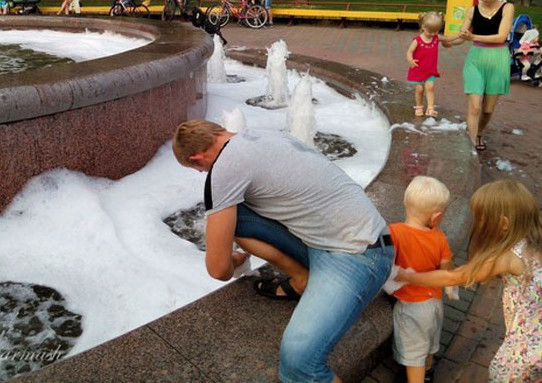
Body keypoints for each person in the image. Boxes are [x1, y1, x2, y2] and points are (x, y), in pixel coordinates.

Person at [172, 120, 394, 382]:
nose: (202, 173)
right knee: (234, 214)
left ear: (197, 157)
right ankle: (301, 278)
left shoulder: (223, 168)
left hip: (357, 256)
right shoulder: (266, 134)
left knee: (300, 363)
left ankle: (305, 278)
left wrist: (233, 260)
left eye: (197, 169)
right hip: (341, 237)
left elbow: (218, 270)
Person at [397, 179, 542, 383]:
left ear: (504, 224)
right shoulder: (533, 241)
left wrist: (408, 276)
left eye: (481, 219)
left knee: (502, 375)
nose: (478, 223)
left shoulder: (507, 257)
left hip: (527, 347)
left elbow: (453, 277)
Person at [389, 176, 455, 383]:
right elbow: (447, 270)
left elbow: (384, 261)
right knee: (429, 342)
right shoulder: (440, 237)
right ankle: (428, 372)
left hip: (410, 307)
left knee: (413, 354)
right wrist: (451, 289)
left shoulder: (395, 232)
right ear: (435, 217)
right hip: (434, 303)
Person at [458, 0, 514, 151]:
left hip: (498, 59)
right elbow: (461, 36)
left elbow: (501, 37)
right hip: (476, 59)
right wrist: (444, 40)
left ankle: (479, 132)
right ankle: (470, 145)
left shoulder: (507, 8)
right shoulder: (473, 10)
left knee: (487, 110)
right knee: (474, 107)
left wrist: (472, 36)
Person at [406, 12, 462, 117]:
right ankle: (419, 106)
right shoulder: (417, 40)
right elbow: (409, 51)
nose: (433, 34)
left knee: (430, 87)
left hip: (429, 70)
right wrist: (410, 60)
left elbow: (447, 39)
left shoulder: (436, 37)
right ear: (423, 26)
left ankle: (430, 108)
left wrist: (458, 35)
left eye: (436, 31)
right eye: (430, 31)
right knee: (420, 89)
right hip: (418, 69)